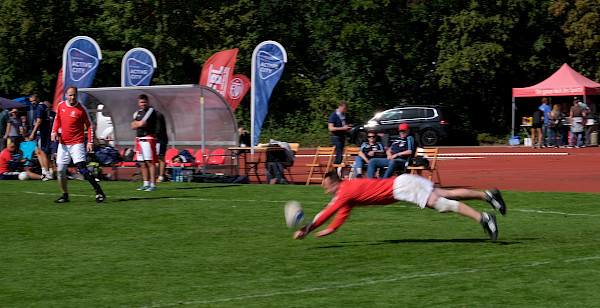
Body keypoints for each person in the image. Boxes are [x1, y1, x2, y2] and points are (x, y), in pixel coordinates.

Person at [293, 171, 506, 242]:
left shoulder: (344, 191)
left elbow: (327, 212)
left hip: (403, 188)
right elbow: (344, 211)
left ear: (334, 183)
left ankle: (484, 219)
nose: (326, 191)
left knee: (440, 204)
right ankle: (488, 195)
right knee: (445, 194)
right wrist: (333, 229)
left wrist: (306, 229)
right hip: (403, 183)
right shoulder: (346, 191)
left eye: (326, 188)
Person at [51, 86, 105, 203]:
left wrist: (90, 141)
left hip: (77, 143)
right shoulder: (61, 106)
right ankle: (65, 196)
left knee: (82, 169)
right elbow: (57, 120)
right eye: (70, 95)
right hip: (63, 144)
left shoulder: (81, 109)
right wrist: (54, 132)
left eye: (74, 95)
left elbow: (89, 125)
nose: (72, 97)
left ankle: (99, 192)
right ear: (66, 95)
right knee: (60, 171)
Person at [131, 94, 158, 191]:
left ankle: (153, 184)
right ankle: (145, 183)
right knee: (142, 163)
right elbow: (133, 126)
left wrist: (138, 124)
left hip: (148, 139)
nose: (143, 104)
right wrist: (138, 124)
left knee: (150, 162)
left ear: (148, 102)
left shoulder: (150, 111)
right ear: (139, 103)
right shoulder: (138, 112)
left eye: (145, 102)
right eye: (141, 102)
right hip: (139, 139)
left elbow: (141, 123)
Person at [28, 94, 52, 180]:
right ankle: (44, 172)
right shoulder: (41, 107)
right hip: (40, 133)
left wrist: (32, 133)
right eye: (31, 101)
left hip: (41, 133)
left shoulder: (40, 107)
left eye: (34, 100)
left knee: (42, 152)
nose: (33, 102)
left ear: (38, 99)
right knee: (37, 151)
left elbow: (39, 121)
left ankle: (47, 172)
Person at [155, 109, 169, 182]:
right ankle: (156, 176)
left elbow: (158, 129)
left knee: (160, 158)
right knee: (157, 158)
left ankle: (161, 176)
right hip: (157, 140)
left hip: (160, 140)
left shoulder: (157, 115)